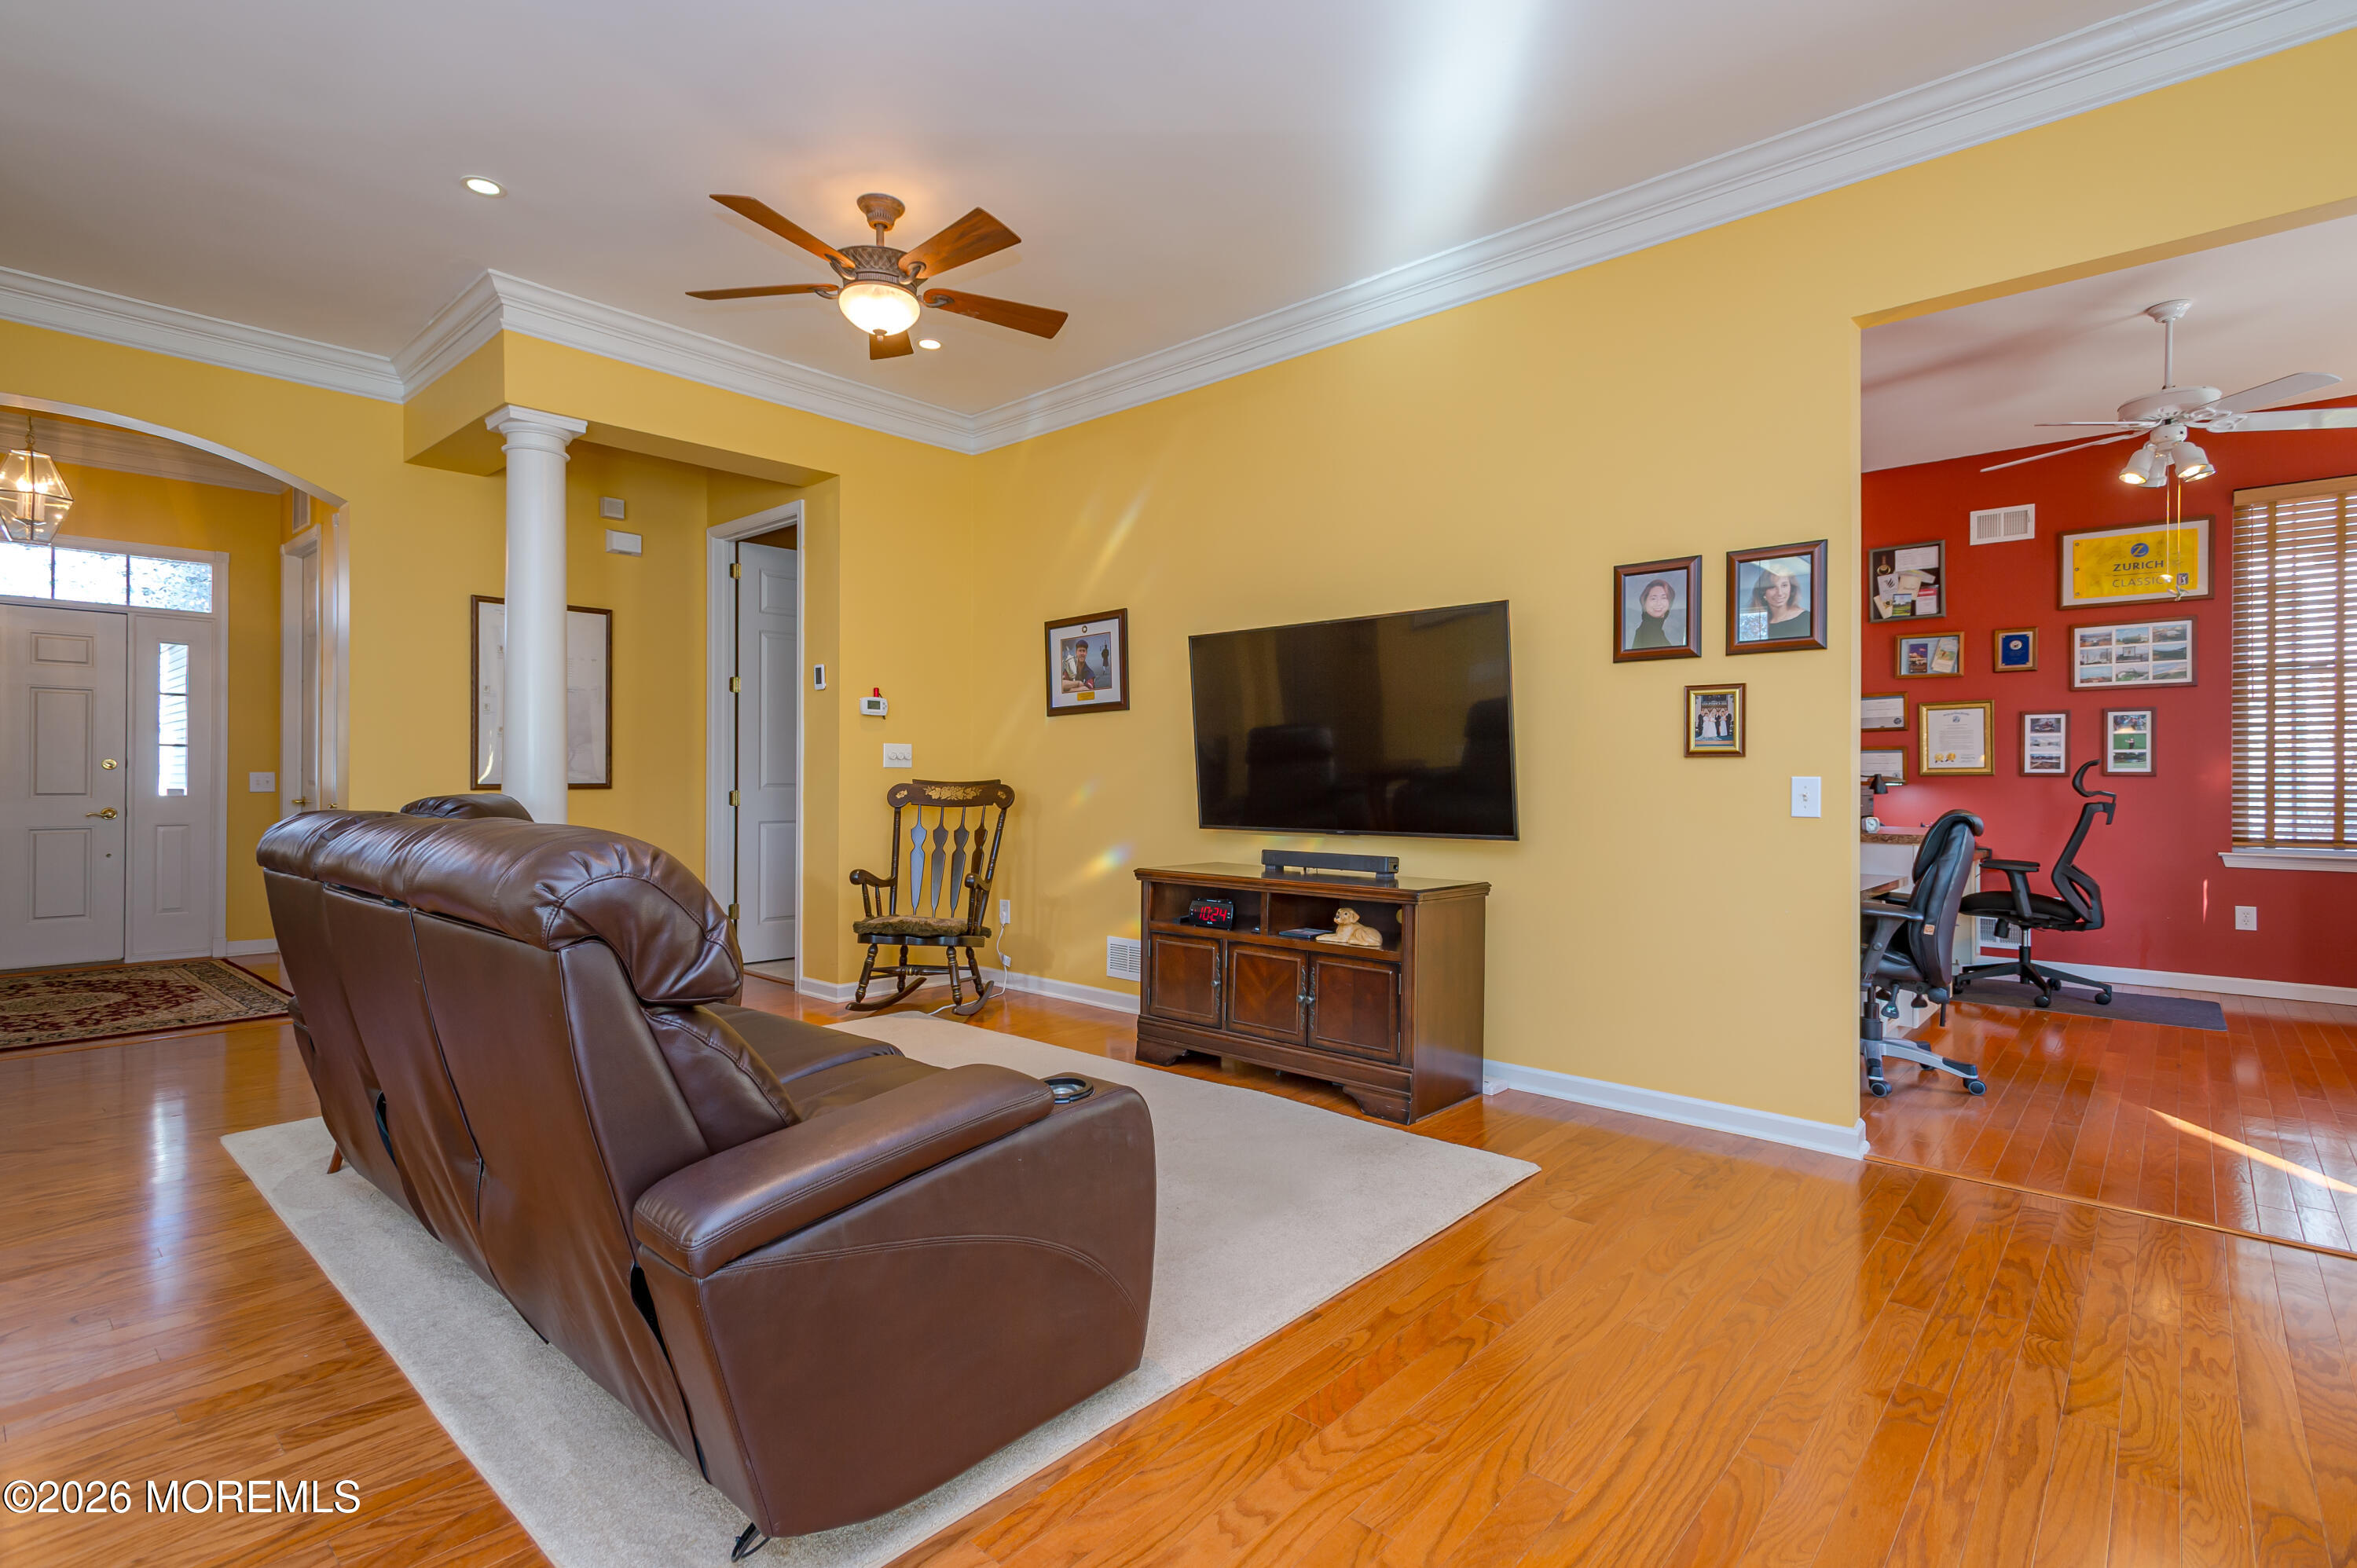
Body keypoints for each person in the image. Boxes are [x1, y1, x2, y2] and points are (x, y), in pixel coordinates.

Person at [1750, 558, 1813, 640]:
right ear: (1763, 592)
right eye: (1772, 587)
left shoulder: (1806, 619)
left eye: (1784, 585)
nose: (1779, 593)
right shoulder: (1756, 625)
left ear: (1791, 589)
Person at [1628, 577, 1681, 650]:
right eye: (1653, 598)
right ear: (1645, 602)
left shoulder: (1656, 630)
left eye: (1664, 598)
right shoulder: (1649, 630)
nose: (1659, 603)